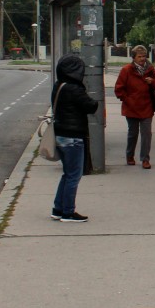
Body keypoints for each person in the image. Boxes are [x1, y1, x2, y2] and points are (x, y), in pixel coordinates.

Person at [51, 54, 99, 222]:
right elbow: (90, 105)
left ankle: (58, 208)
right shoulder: (75, 89)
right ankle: (68, 212)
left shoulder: (59, 85)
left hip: (60, 135)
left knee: (67, 173)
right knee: (74, 175)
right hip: (73, 137)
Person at [114, 44, 155, 169]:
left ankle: (145, 159)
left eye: (144, 56)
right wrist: (127, 99)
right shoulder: (126, 70)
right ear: (134, 58)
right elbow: (119, 89)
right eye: (139, 56)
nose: (142, 59)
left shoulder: (150, 69)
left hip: (146, 106)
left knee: (147, 134)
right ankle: (130, 156)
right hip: (131, 107)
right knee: (133, 133)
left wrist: (152, 82)